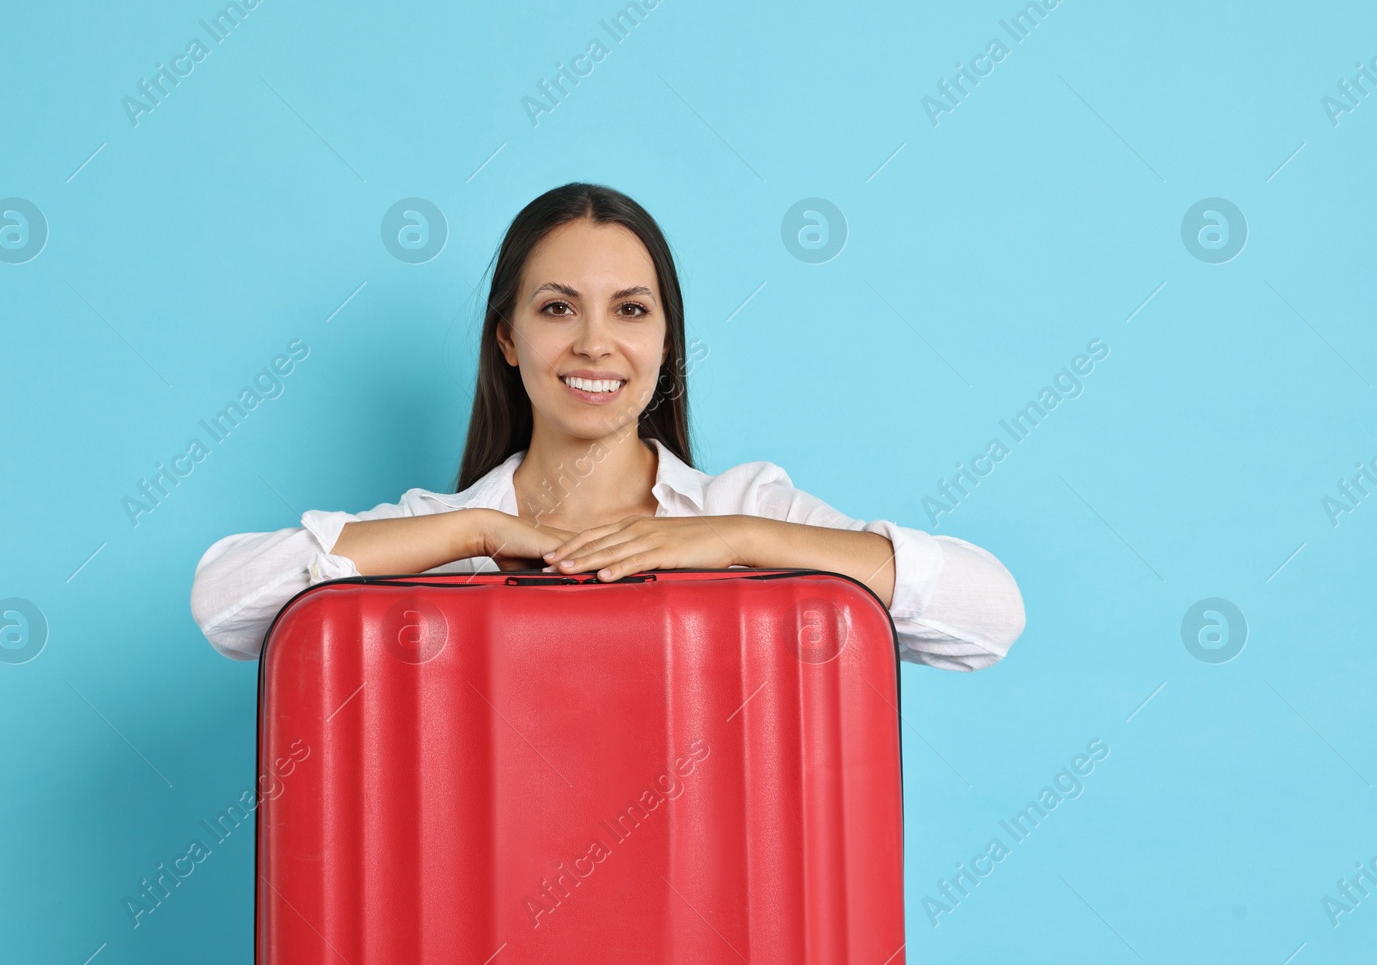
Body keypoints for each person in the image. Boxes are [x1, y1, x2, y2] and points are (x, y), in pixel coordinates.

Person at [190, 183, 1024, 671]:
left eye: (630, 309)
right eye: (558, 308)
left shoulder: (744, 507)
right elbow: (224, 603)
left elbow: (990, 615)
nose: (595, 342)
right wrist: (478, 528)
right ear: (508, 338)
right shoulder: (434, 536)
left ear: (665, 340)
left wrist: (732, 539)